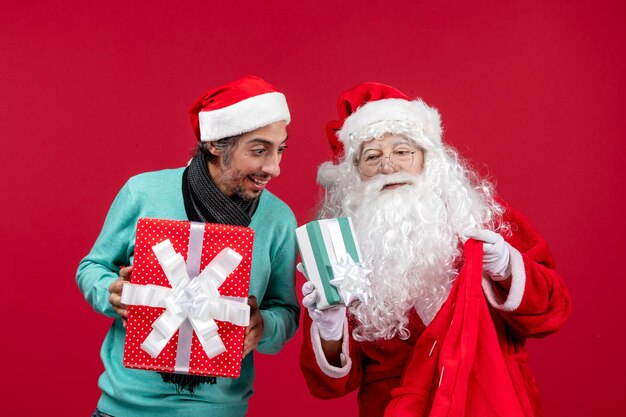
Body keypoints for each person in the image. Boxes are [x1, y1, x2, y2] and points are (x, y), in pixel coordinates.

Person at [299, 82, 571, 417]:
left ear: (429, 158)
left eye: (403, 151)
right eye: (372, 157)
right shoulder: (340, 249)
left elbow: (553, 312)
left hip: (491, 397)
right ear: (355, 174)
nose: (389, 166)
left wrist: (507, 268)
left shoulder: (482, 216)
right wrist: (329, 328)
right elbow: (330, 386)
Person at [77, 75, 300, 417]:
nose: (274, 167)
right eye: (259, 150)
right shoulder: (144, 192)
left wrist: (263, 327)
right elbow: (92, 268)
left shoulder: (277, 218)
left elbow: (285, 310)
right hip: (124, 408)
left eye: (280, 148)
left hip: (219, 409)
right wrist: (112, 290)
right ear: (216, 144)